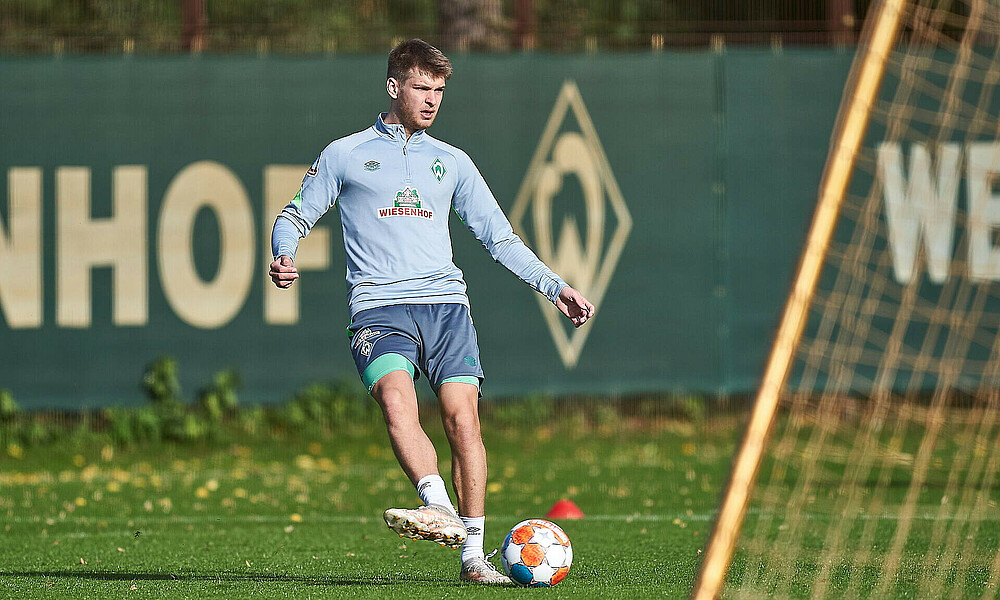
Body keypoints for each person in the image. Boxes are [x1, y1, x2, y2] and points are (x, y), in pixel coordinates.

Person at [269, 38, 594, 584]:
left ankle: (473, 558)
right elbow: (295, 214)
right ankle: (437, 504)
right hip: (378, 308)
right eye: (422, 87)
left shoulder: (452, 162)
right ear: (394, 86)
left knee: (462, 420)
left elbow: (499, 238)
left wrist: (553, 285)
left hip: (446, 307)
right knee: (397, 402)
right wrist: (284, 251)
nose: (431, 99)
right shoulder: (345, 155)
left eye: (439, 90)